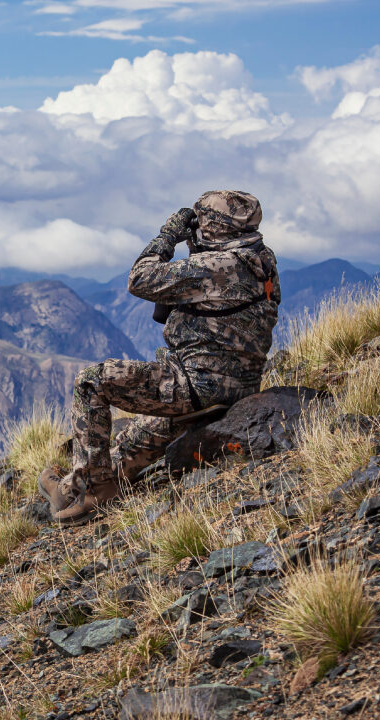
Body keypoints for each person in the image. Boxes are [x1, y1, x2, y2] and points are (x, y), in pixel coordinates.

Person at [38, 190, 281, 525]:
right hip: (240, 384)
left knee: (92, 382)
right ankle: (67, 488)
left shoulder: (211, 267)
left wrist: (168, 236)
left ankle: (94, 493)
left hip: (196, 386)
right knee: (128, 443)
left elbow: (139, 279)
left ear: (214, 226)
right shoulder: (261, 259)